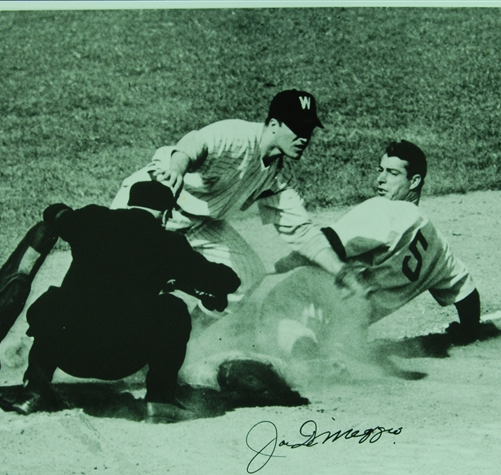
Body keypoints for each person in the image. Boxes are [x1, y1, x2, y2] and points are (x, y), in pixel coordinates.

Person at [110, 90, 348, 328]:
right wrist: (177, 167)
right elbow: (195, 142)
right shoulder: (238, 136)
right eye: (298, 128)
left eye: (309, 129)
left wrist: (342, 272)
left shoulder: (277, 175)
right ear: (274, 125)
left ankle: (188, 337)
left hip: (199, 223)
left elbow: (302, 232)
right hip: (149, 202)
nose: (304, 137)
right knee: (121, 279)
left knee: (246, 273)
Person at [12, 180, 241, 419]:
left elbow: (53, 212)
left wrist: (63, 212)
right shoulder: (170, 244)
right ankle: (161, 401)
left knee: (56, 300)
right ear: (165, 214)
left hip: (68, 353)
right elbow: (227, 282)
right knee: (172, 308)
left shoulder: (90, 219)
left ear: (131, 203)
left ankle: (33, 391)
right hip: (121, 361)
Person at [258, 140, 483, 361]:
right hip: (350, 323)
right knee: (322, 332)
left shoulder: (385, 208)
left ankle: (306, 358)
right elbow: (467, 293)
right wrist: (469, 331)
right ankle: (328, 352)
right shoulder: (438, 247)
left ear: (414, 181)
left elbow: (327, 242)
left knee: (268, 314)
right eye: (380, 170)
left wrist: (275, 265)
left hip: (311, 297)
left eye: (393, 173)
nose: (381, 179)